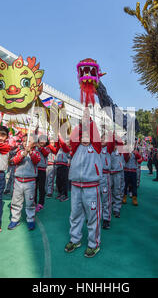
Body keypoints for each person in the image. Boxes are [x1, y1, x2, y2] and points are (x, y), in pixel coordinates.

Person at [64, 108, 102, 258]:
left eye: (88, 135)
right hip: (76, 187)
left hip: (91, 187)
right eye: (82, 135)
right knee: (75, 214)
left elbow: (95, 133)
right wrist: (82, 123)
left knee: (93, 217)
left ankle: (94, 244)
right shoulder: (75, 147)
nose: (85, 137)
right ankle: (75, 239)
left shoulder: (96, 147)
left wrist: (89, 121)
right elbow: (73, 136)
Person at [8, 135, 40, 231]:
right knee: (16, 201)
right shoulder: (19, 152)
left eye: (29, 141)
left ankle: (30, 219)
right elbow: (14, 161)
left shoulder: (36, 153)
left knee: (30, 202)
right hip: (18, 181)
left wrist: (30, 152)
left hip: (30, 182)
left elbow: (36, 160)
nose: (26, 143)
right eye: (24, 141)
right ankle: (15, 219)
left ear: (33, 143)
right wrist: (23, 154)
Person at [100, 132, 113, 229]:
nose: (102, 141)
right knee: (96, 198)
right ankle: (95, 216)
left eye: (105, 139)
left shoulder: (108, 149)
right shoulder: (96, 149)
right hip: (96, 176)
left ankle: (106, 218)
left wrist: (110, 130)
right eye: (101, 138)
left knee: (106, 198)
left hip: (105, 176)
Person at [35, 135, 50, 212]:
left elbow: (45, 153)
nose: (42, 141)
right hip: (35, 170)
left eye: (44, 140)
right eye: (41, 140)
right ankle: (33, 202)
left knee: (41, 188)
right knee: (34, 187)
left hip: (42, 170)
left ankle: (41, 203)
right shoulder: (35, 148)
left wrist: (40, 148)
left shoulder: (47, 148)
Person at [55, 134, 70, 202]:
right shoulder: (59, 148)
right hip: (58, 167)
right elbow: (57, 144)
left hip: (64, 167)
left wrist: (60, 136)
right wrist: (57, 137)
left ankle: (65, 195)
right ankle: (60, 193)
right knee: (58, 181)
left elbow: (63, 144)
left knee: (64, 181)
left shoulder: (67, 148)